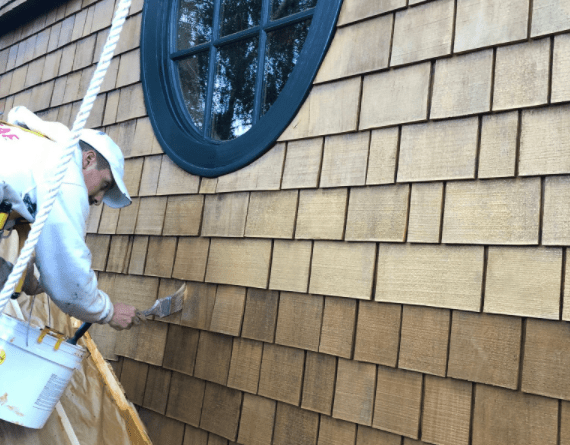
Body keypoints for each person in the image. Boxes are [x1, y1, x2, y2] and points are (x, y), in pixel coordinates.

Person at [0, 106, 143, 330]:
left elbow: (32, 232)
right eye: (104, 185)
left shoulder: (39, 147)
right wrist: (108, 312)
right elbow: (69, 272)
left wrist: (26, 277)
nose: (98, 199)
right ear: (88, 159)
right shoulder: (66, 175)